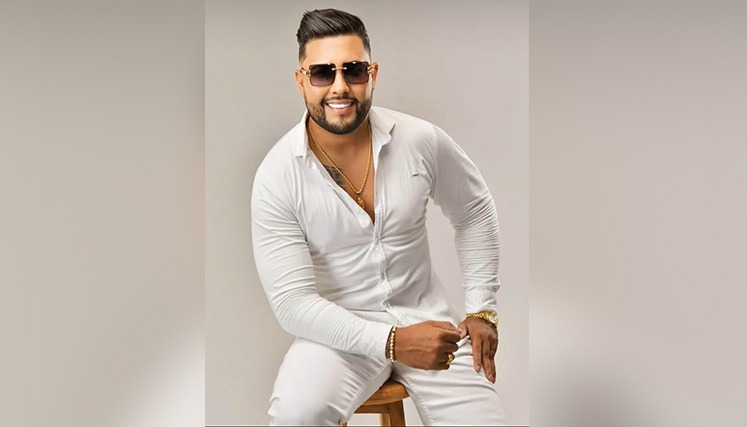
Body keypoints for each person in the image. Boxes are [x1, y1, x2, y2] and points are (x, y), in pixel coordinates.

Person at [251, 8, 506, 426]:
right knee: (297, 414)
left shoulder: (420, 140)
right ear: (301, 80)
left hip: (429, 321)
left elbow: (473, 209)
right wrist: (392, 341)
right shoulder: (277, 176)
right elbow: (293, 303)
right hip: (336, 337)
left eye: (353, 70)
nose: (340, 86)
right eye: (322, 73)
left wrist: (482, 309)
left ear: (372, 73)